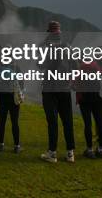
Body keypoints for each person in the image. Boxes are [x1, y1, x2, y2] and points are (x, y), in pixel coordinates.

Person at [39, 21, 76, 163]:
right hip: (65, 88)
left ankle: (52, 153)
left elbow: (40, 65)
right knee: (67, 120)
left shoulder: (45, 47)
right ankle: (70, 153)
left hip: (49, 89)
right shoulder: (68, 46)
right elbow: (75, 66)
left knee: (52, 121)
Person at [75, 60, 102, 159]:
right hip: (98, 99)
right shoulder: (98, 69)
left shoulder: (80, 70)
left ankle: (89, 149)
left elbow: (74, 83)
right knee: (100, 123)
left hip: (84, 99)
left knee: (87, 124)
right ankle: (101, 149)